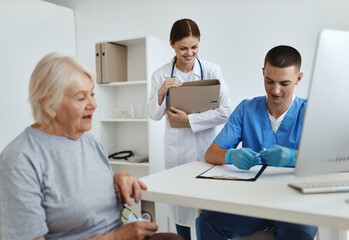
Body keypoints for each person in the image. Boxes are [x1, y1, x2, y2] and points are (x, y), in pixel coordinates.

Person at [0, 53, 183, 240]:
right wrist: (115, 238)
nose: (94, 105)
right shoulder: (19, 159)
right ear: (48, 105)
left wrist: (117, 180)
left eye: (92, 94)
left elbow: (82, 193)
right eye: (81, 98)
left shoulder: (89, 141)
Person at [196, 45, 318, 240]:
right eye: (269, 81)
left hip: (296, 204)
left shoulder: (312, 111)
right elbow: (211, 153)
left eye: (284, 83)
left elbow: (332, 161)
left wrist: (293, 157)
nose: (275, 90)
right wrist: (230, 155)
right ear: (262, 73)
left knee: (298, 234)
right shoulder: (246, 109)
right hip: (251, 202)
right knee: (206, 222)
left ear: (298, 78)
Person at [148, 18, 232, 240]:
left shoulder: (212, 70)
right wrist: (161, 91)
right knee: (181, 209)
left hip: (206, 149)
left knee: (207, 209)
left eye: (194, 47)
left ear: (199, 43)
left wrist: (190, 119)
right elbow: (154, 115)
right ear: (171, 44)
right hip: (176, 152)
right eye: (183, 48)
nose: (189, 53)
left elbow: (225, 112)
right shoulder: (160, 74)